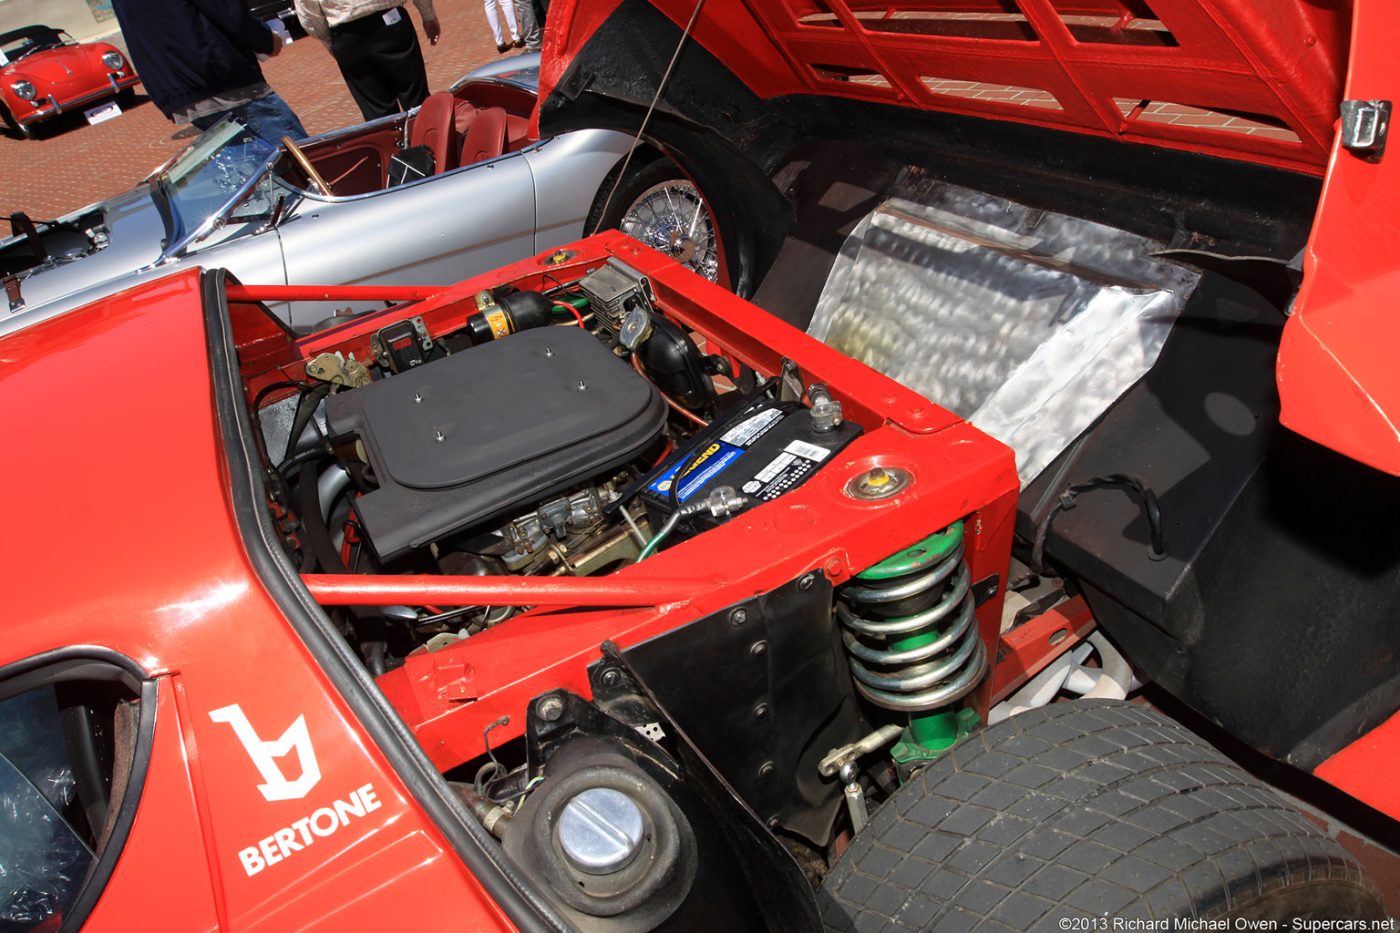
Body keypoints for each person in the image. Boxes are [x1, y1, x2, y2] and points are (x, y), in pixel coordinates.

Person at [110, 0, 307, 144]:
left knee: (261, 179)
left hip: (178, 87)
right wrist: (266, 40)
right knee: (304, 169)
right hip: (218, 77)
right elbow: (226, 9)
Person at [295, 0, 441, 121]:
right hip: (389, 21)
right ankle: (431, 148)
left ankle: (395, 153)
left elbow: (307, 13)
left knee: (378, 114)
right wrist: (427, 14)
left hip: (347, 35)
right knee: (416, 99)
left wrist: (330, 42)